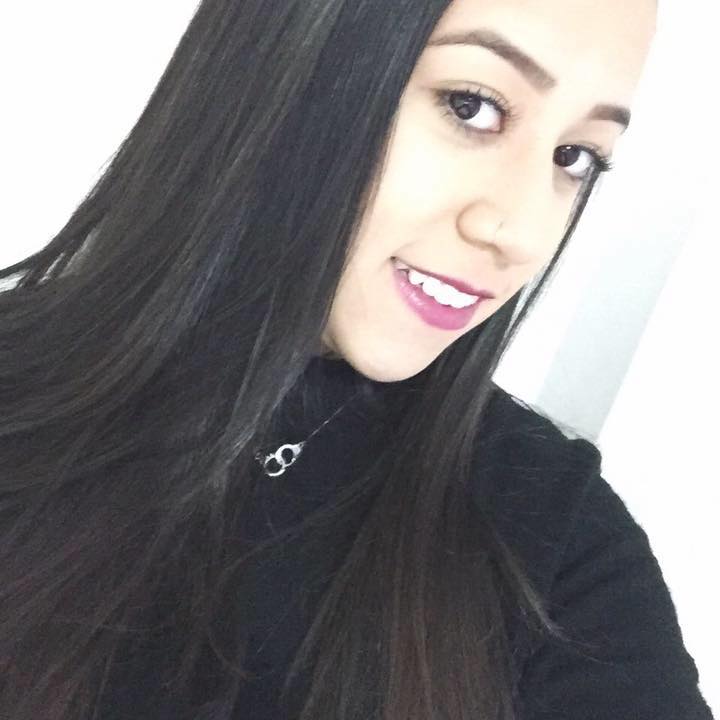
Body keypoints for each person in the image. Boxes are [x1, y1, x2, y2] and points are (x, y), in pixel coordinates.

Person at [0, 0, 713, 718]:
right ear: (291, 59)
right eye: (472, 106)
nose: (522, 233)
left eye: (575, 156)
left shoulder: (553, 542)